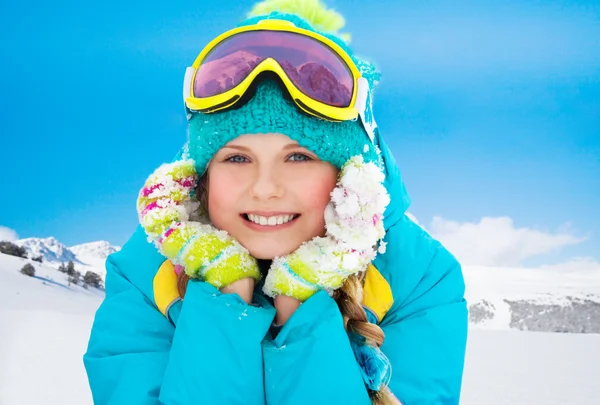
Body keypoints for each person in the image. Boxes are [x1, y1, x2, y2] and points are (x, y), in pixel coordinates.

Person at [83, 1, 468, 404]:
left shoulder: (419, 277)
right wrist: (224, 302)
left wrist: (303, 310)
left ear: (349, 174)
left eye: (298, 157)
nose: (265, 188)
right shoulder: (145, 273)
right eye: (237, 158)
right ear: (203, 176)